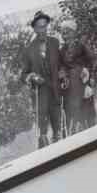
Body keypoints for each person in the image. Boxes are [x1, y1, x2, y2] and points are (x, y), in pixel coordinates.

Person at [18, 11, 64, 149]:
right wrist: (31, 76)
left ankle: (60, 148)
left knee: (58, 127)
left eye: (45, 26)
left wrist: (63, 73)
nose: (43, 30)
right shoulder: (29, 50)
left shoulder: (55, 43)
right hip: (40, 94)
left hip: (56, 90)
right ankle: (44, 151)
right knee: (43, 131)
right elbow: (23, 74)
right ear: (34, 28)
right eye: (39, 27)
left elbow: (61, 64)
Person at [57, 16, 94, 139]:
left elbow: (90, 60)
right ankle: (72, 129)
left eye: (67, 32)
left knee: (82, 104)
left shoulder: (81, 46)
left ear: (73, 32)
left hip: (81, 78)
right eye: (63, 33)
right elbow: (60, 65)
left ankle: (82, 126)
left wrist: (87, 71)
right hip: (69, 82)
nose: (64, 35)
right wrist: (62, 73)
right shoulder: (62, 50)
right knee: (69, 104)